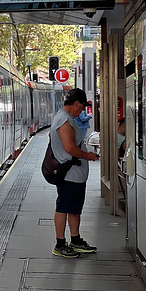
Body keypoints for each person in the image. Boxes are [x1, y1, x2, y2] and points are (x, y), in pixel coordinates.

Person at [50, 88, 99, 258]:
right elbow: (69, 148)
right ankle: (60, 243)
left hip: (75, 174)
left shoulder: (66, 118)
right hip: (69, 174)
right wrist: (88, 156)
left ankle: (75, 240)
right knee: (63, 207)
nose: (82, 111)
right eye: (82, 107)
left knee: (74, 209)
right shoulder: (64, 120)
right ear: (77, 103)